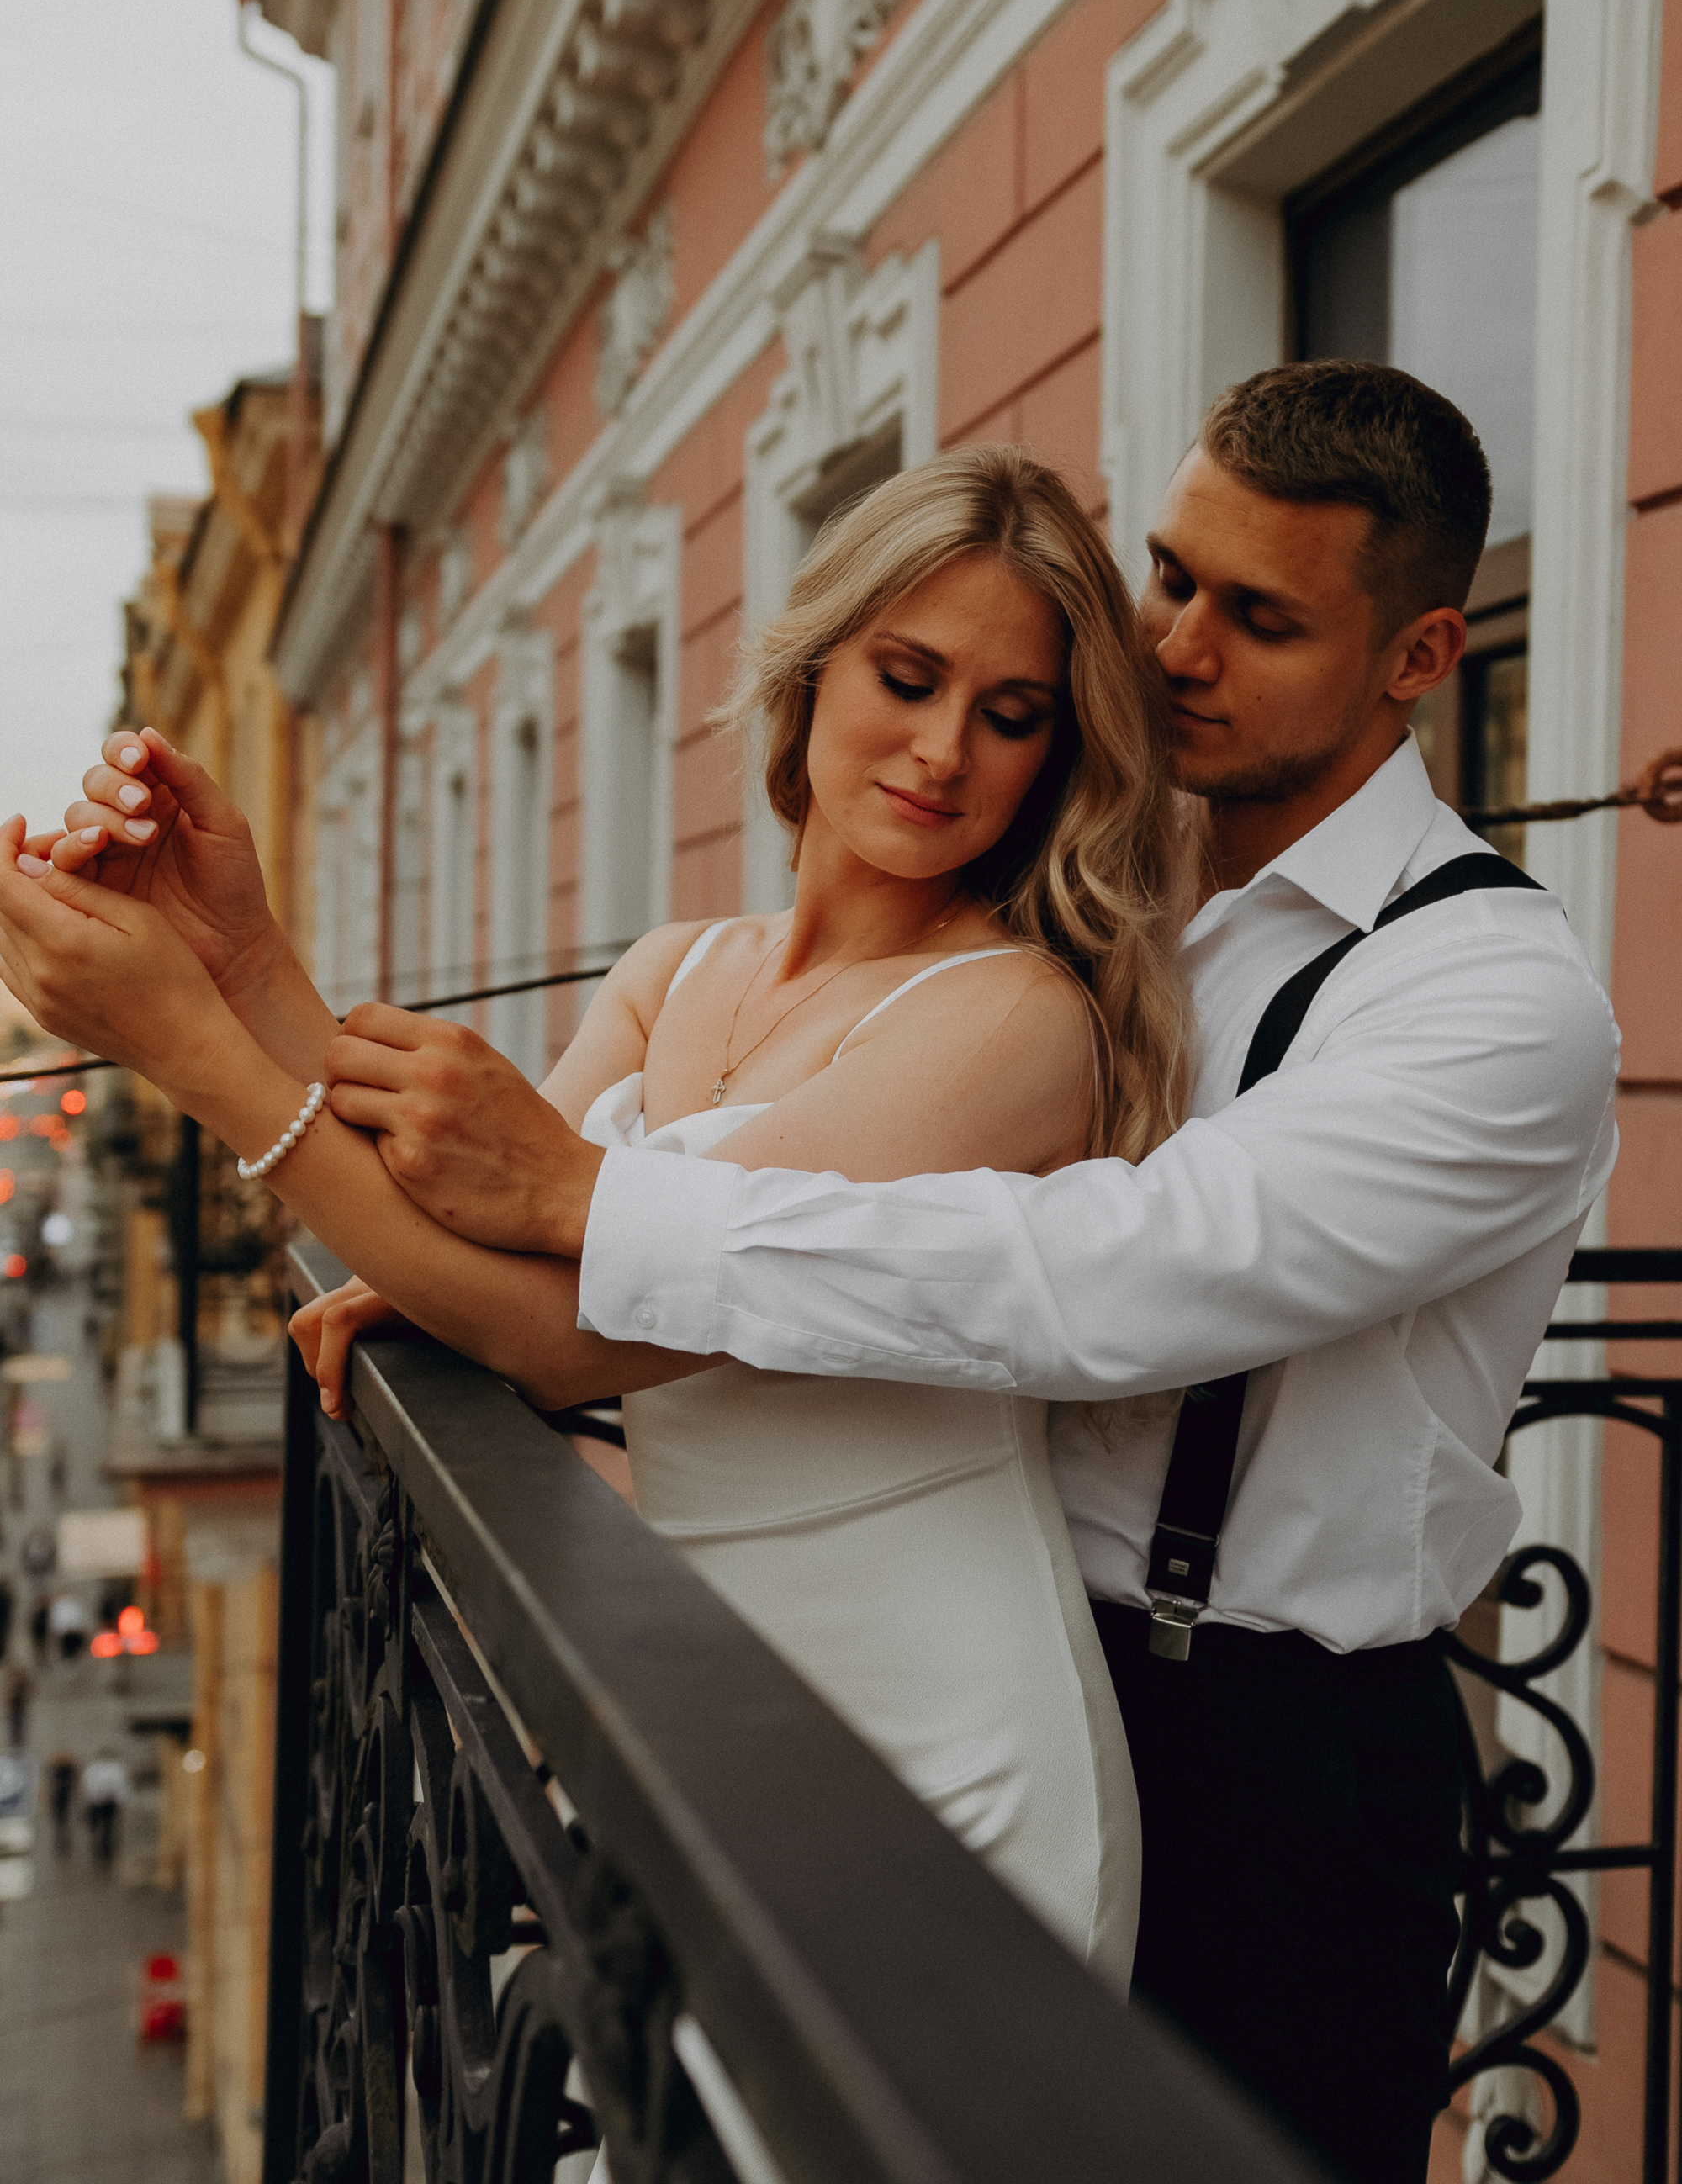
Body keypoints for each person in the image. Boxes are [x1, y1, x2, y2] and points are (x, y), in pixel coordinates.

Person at [220, 361, 1611, 2184]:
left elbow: (1120, 1275)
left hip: (1275, 1748)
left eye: (1257, 617)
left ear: (1422, 657)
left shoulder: (1491, 1000)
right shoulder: (1103, 875)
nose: (1178, 645)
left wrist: (594, 1202)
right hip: (985, 1642)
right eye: (1169, 577)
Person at [0, 447, 1199, 1994]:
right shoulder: (680, 967)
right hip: (709, 1714)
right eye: (907, 677)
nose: (945, 749)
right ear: (818, 664)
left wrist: (196, 1055)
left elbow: (569, 1342)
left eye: (1012, 715)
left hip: (943, 1743)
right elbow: (474, 1222)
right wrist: (241, 953)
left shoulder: (1014, 1020)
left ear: (1055, 754)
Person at [82, 1746, 130, 1867]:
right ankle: (102, 1849)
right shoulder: (100, 1768)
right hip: (101, 1801)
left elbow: (120, 1786)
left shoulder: (112, 1768)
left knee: (106, 1827)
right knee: (102, 1827)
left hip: (105, 1802)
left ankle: (104, 1850)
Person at [48, 1750, 77, 1855]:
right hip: (60, 1799)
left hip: (64, 1799)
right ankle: (60, 1837)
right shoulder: (57, 1771)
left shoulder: (67, 1772)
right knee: (60, 1820)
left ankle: (63, 1837)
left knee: (63, 1820)